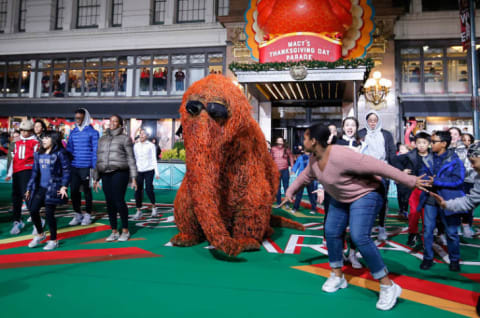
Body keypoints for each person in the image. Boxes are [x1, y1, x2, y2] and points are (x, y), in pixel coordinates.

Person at [284, 123, 430, 311]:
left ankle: (388, 286)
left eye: (305, 137)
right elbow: (304, 177)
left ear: (313, 141)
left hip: (366, 193)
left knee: (359, 236)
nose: (302, 141)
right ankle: (338, 276)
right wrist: (290, 191)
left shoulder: (340, 155)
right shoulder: (313, 159)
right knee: (331, 231)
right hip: (341, 197)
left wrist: (410, 180)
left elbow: (379, 166)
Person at [417, 131, 465, 272]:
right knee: (427, 231)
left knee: (451, 232)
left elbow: (458, 180)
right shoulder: (428, 158)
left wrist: (437, 181)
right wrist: (424, 179)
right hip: (430, 198)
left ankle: (454, 259)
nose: (430, 144)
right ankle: (428, 258)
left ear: (444, 143)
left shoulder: (455, 160)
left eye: (433, 142)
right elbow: (421, 173)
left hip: (448, 199)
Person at [93, 115, 137, 242]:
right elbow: (99, 158)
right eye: (111, 121)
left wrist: (134, 177)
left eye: (115, 121)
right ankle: (114, 231)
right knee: (109, 202)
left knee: (118, 201)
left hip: (120, 172)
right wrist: (96, 178)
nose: (112, 123)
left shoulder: (125, 139)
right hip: (105, 173)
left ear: (120, 124)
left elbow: (130, 158)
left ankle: (125, 230)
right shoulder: (102, 139)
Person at [25, 131, 71, 250]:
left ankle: (53, 240)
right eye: (42, 138)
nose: (43, 140)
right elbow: (34, 173)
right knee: (33, 209)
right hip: (40, 188)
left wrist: (64, 186)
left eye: (46, 138)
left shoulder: (60, 153)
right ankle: (40, 234)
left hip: (53, 188)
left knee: (50, 214)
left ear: (54, 139)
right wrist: (29, 188)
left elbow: (66, 171)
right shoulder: (38, 154)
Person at [358, 110, 396, 241]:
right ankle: (364, 227)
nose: (372, 123)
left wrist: (394, 171)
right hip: (365, 172)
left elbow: (392, 153)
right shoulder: (361, 133)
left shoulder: (386, 134)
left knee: (382, 199)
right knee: (364, 198)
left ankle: (381, 227)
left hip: (382, 170)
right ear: (366, 121)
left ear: (378, 121)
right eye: (370, 120)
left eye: (375, 120)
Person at [395, 131, 431, 247]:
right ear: (415, 144)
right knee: (414, 213)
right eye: (419, 143)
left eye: (424, 143)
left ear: (429, 144)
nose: (421, 145)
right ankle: (412, 233)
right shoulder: (410, 156)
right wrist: (402, 171)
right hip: (415, 190)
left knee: (427, 216)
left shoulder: (434, 156)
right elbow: (393, 160)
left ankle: (428, 237)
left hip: (429, 190)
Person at [66, 108, 99, 226]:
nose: (77, 120)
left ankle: (88, 214)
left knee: (87, 191)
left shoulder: (93, 132)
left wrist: (94, 168)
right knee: (74, 191)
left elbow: (95, 151)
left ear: (85, 118)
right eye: (76, 118)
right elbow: (69, 149)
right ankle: (77, 213)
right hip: (74, 166)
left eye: (80, 118)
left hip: (86, 167)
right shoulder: (73, 132)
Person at [5, 120, 39, 235]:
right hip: (17, 172)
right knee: (16, 197)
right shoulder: (16, 141)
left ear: (31, 131)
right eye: (22, 131)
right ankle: (17, 221)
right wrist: (10, 173)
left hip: (28, 171)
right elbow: (14, 158)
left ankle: (37, 222)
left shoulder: (35, 142)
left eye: (27, 131)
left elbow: (37, 159)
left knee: (28, 196)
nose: (24, 133)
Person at [133, 128, 159, 220]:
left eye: (144, 134)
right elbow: (135, 159)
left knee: (148, 189)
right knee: (137, 190)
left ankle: (154, 207)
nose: (142, 135)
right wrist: (134, 173)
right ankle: (138, 211)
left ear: (147, 136)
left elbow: (154, 159)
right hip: (139, 171)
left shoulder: (151, 145)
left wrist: (157, 172)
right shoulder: (136, 146)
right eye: (140, 133)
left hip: (149, 170)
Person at [271, 137, 294, 208]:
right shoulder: (273, 149)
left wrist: (292, 167)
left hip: (285, 170)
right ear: (276, 141)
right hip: (276, 170)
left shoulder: (286, 149)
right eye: (279, 140)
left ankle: (287, 203)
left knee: (286, 187)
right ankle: (278, 203)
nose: (280, 142)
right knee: (277, 187)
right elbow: (270, 158)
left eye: (281, 140)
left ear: (283, 142)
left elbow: (291, 157)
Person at [291, 150, 317, 215]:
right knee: (299, 194)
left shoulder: (313, 157)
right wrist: (293, 170)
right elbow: (296, 165)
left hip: (310, 178)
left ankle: (313, 208)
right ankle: (295, 208)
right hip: (301, 178)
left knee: (311, 194)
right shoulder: (300, 157)